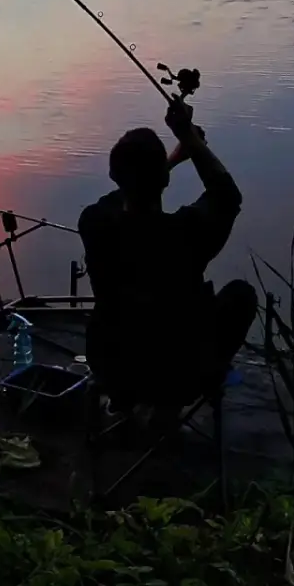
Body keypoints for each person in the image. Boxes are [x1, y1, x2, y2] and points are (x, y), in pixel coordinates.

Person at [78, 97, 258, 421]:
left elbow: (125, 193)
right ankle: (168, 406)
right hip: (180, 377)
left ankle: (129, 401)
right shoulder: (186, 233)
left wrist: (173, 159)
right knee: (241, 295)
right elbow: (227, 196)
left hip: (112, 366)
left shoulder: (94, 223)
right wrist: (190, 140)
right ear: (163, 180)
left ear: (112, 175)